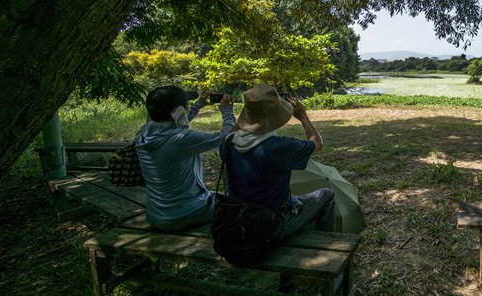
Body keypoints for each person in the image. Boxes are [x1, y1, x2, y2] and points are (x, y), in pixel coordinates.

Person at [220, 84, 336, 241]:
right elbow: (317, 143)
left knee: (293, 198)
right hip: (269, 227)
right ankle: (323, 243)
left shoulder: (228, 143)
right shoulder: (279, 146)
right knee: (326, 195)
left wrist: (248, 115)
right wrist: (303, 117)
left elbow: (233, 132)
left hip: (235, 222)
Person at [136, 85, 235, 231]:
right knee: (235, 205)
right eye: (186, 105)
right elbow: (224, 136)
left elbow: (175, 121)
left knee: (218, 196)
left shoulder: (144, 133)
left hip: (155, 215)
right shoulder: (183, 139)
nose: (188, 106)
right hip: (183, 216)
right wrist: (227, 112)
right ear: (179, 111)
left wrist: (199, 103)